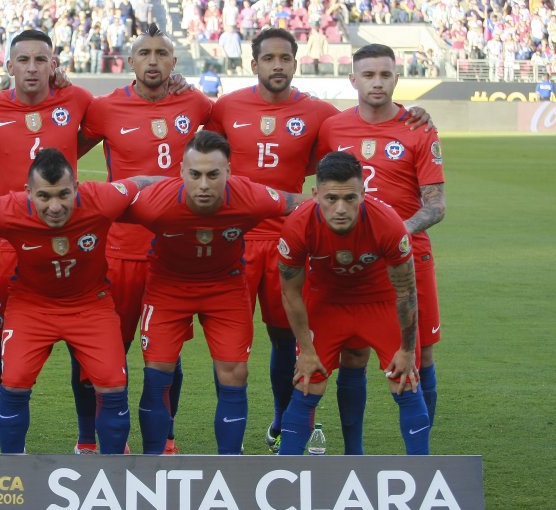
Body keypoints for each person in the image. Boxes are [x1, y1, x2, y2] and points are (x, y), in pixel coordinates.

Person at [204, 28, 431, 454]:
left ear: (296, 62)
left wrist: (413, 114)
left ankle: (279, 425)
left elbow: (346, 149)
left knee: (284, 337)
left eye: (285, 58)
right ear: (253, 64)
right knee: (231, 349)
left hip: (288, 236)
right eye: (268, 58)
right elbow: (200, 150)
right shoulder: (225, 107)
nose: (277, 65)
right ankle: (230, 451)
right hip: (234, 239)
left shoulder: (320, 115)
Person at [0, 149, 162, 454]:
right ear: (28, 192)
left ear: (77, 187)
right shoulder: (9, 209)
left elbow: (143, 181)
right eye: (44, 197)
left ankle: (113, 473)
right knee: (14, 381)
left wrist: (185, 188)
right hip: (31, 305)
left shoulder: (101, 198)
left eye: (63, 195)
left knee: (112, 384)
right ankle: (13, 470)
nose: (55, 206)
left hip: (90, 304)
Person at [125, 131, 304, 455]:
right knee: (157, 375)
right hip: (168, 288)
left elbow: (296, 203)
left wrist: (362, 210)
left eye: (213, 174)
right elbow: (96, 206)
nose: (204, 184)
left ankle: (231, 465)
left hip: (226, 287)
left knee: (234, 372)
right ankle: (153, 462)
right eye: (195, 175)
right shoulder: (155, 204)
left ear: (229, 173)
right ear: (181, 172)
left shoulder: (249, 196)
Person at [78, 23, 213, 455]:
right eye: (144, 53)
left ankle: (165, 439)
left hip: (176, 253)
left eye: (162, 53)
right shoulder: (105, 108)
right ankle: (89, 440)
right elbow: (60, 151)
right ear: (129, 61)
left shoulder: (196, 104)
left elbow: (243, 141)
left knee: (167, 356)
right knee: (102, 352)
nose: (153, 60)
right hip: (118, 251)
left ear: (174, 62)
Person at [0, 30, 95, 451]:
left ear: (54, 64)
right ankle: (9, 452)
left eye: (41, 59)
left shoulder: (79, 101)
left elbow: (103, 132)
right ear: (9, 65)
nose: (32, 67)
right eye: (24, 60)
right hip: (11, 246)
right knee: (4, 349)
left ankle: (87, 442)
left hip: (72, 243)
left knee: (84, 349)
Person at [316, 43, 445, 455]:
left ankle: (420, 455)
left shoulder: (419, 128)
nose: (377, 82)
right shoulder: (332, 128)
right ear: (352, 79)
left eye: (385, 75)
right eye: (368, 75)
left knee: (419, 357)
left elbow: (436, 205)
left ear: (396, 78)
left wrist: (394, 232)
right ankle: (354, 453)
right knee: (353, 353)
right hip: (349, 261)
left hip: (409, 257)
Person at [276, 151, 430, 456]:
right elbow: (290, 292)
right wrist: (306, 350)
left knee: (406, 379)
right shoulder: (297, 225)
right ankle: (285, 473)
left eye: (350, 199)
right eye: (331, 199)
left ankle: (422, 474)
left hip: (380, 301)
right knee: (308, 380)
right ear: (315, 194)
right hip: (327, 303)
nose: (341, 209)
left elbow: (406, 292)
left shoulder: (388, 223)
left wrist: (408, 349)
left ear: (363, 193)